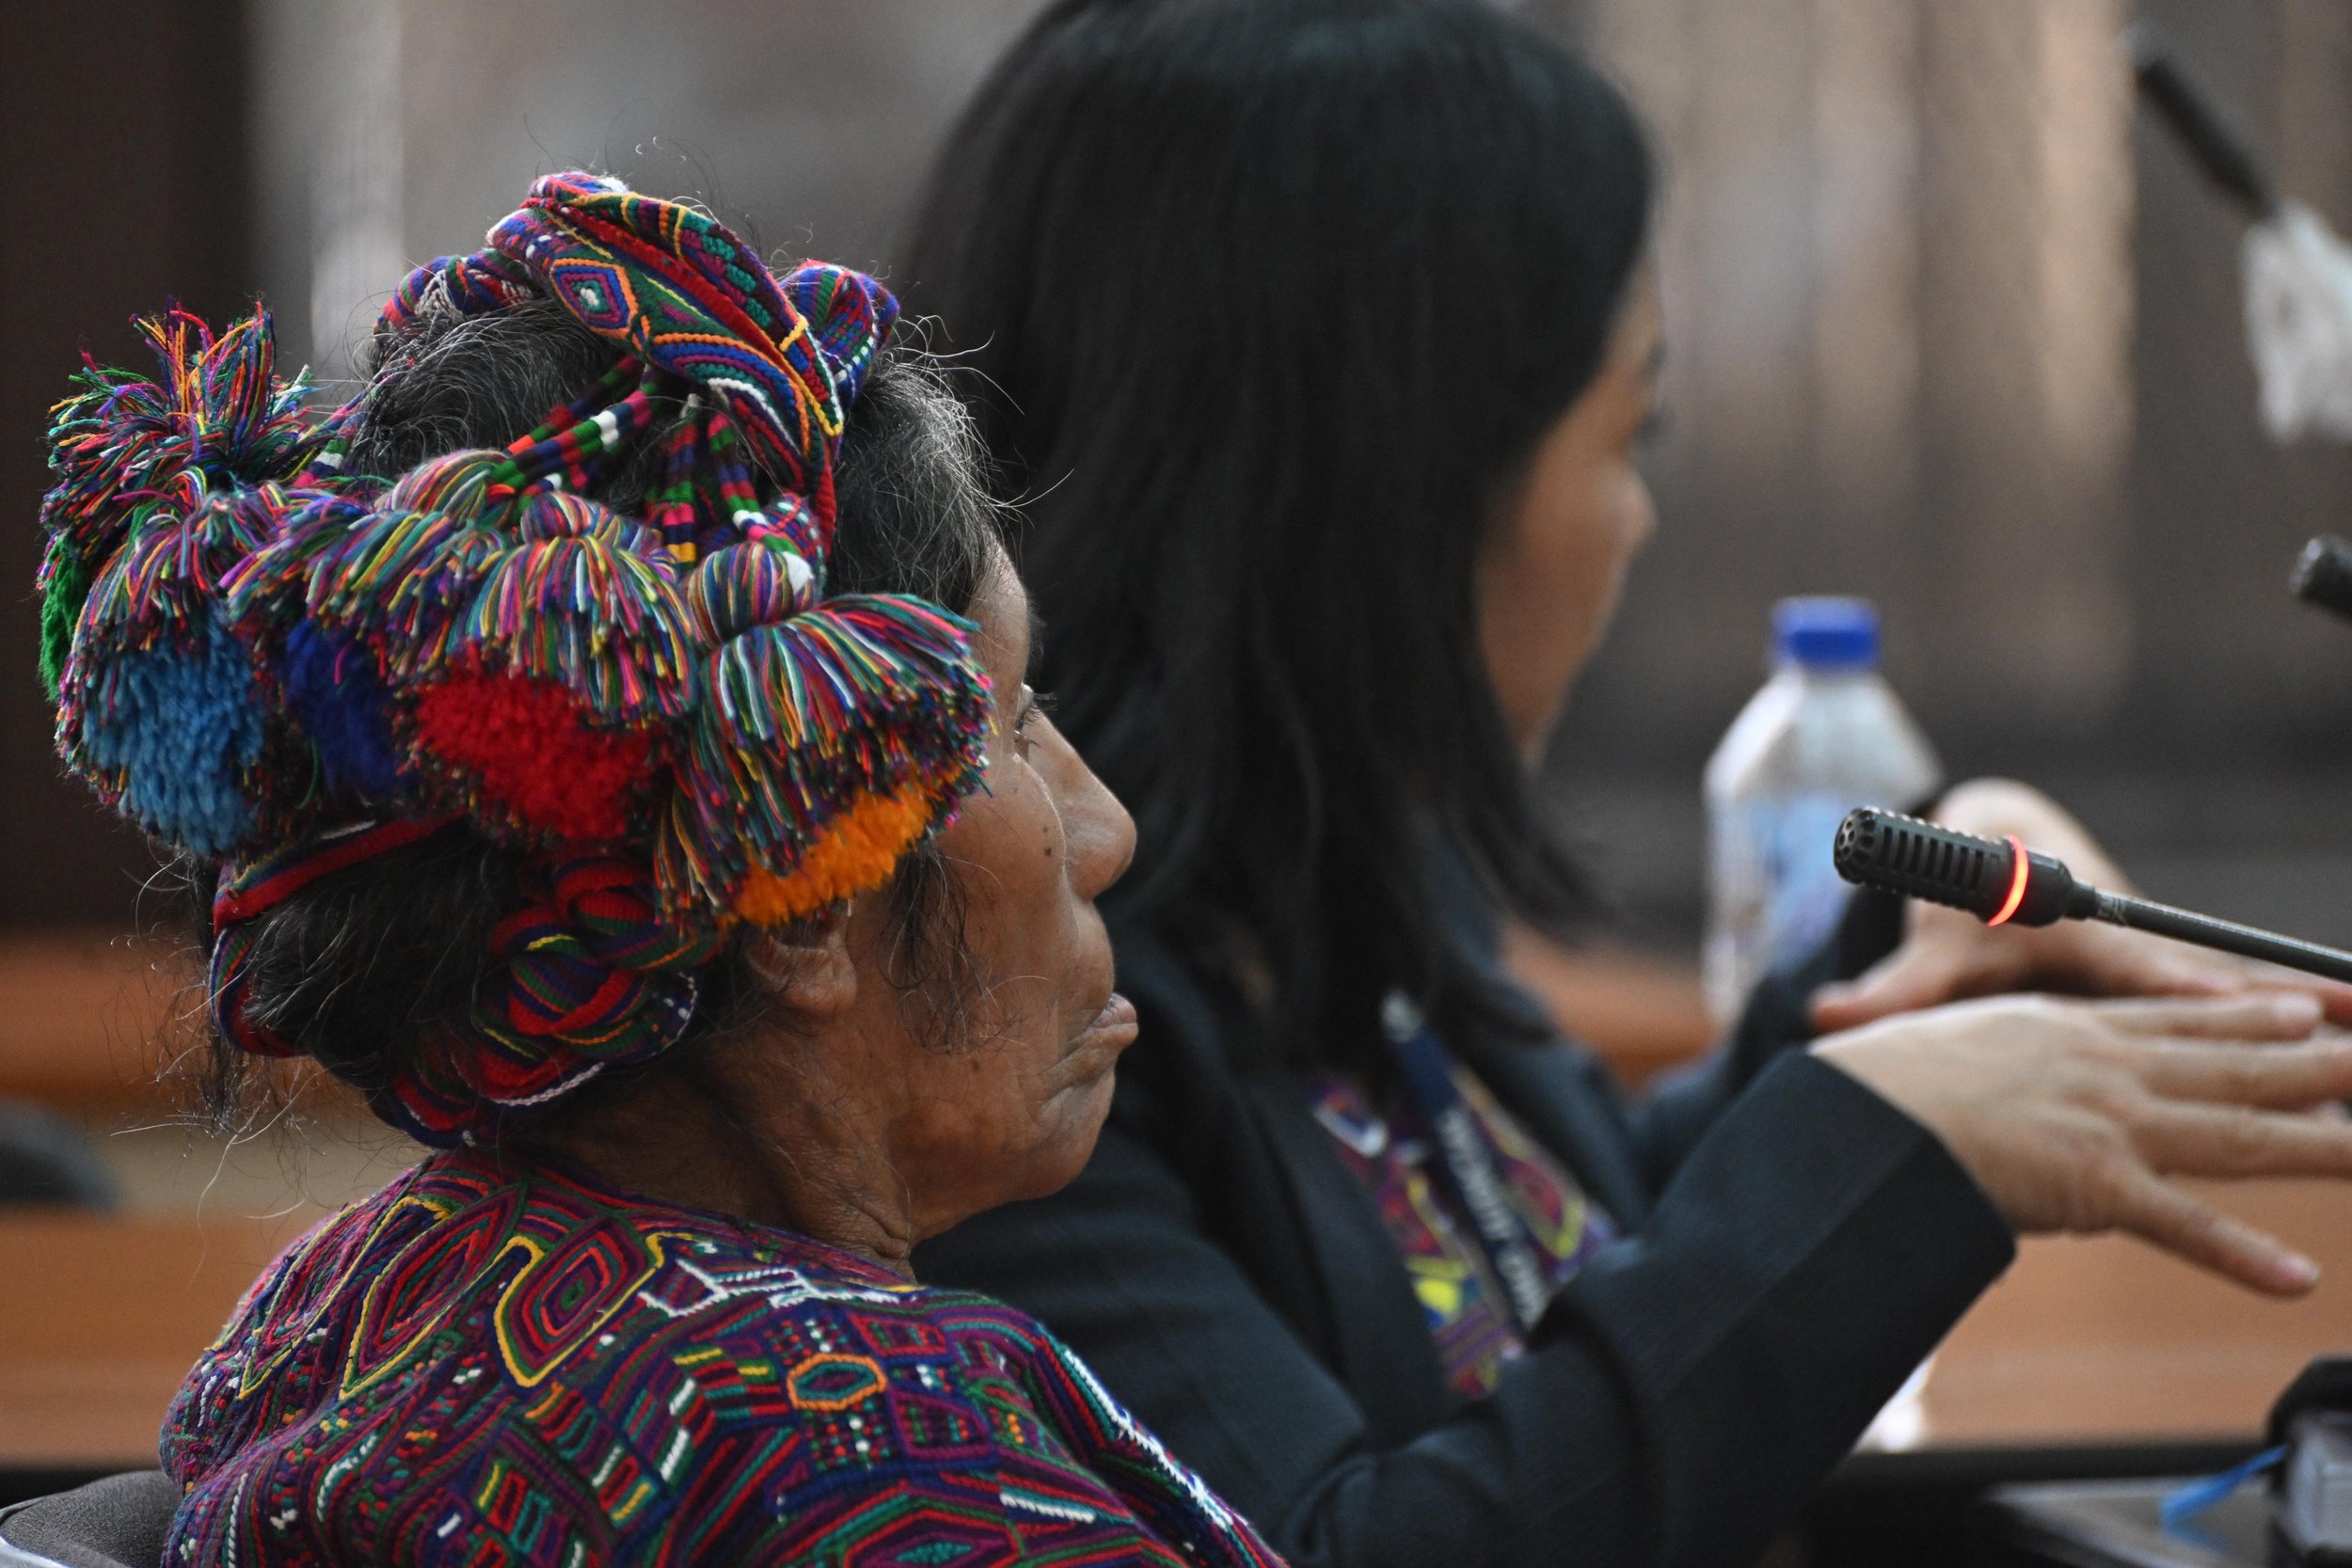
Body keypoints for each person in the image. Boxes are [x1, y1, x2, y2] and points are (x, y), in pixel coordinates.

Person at [903, 4, 2352, 1564]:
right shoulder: (1012, 1052)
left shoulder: (1327, 875)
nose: (1638, 520)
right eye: (1629, 432)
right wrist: (1891, 1148)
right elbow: (1340, 1544)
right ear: (1393, 492)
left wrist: (1897, 1009)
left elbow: (1547, 1241)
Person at [36, 172, 1281, 1567]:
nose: (1103, 829)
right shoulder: (889, 1465)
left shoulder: (329, 1326)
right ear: (805, 886)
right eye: (1016, 722)